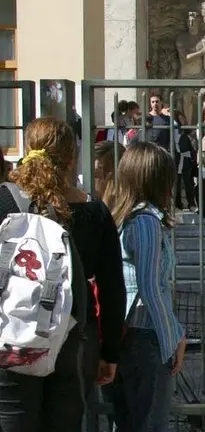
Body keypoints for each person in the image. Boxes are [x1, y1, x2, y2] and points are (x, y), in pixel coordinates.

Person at [0, 117, 126, 432]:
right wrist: (110, 351)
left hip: (10, 339)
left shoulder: (4, 203)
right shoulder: (94, 212)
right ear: (72, 159)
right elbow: (112, 289)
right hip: (72, 340)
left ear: (27, 150)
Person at [103, 141, 186, 431]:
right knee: (150, 423)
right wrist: (174, 336)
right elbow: (150, 289)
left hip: (124, 335)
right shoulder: (146, 223)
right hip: (144, 337)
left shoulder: (121, 218)